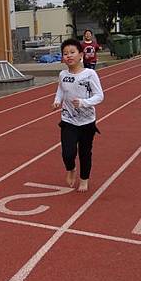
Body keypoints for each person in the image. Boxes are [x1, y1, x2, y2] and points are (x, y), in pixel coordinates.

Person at [52, 39, 104, 192]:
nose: (68, 56)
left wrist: (83, 103)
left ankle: (84, 179)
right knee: (68, 152)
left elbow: (99, 96)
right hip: (68, 119)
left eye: (72, 52)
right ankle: (71, 168)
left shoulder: (90, 74)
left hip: (87, 121)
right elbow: (61, 90)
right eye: (65, 53)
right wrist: (57, 101)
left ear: (81, 54)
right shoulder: (63, 75)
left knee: (85, 152)